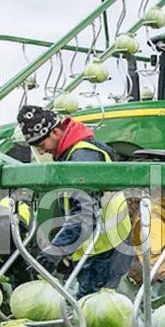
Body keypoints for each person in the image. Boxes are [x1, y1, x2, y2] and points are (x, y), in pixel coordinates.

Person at [17, 105, 133, 298]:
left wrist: (52, 253)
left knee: (93, 313)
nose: (42, 151)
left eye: (41, 144)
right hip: (99, 245)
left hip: (106, 248)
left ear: (55, 131)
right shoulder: (73, 154)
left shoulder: (84, 157)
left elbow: (84, 217)